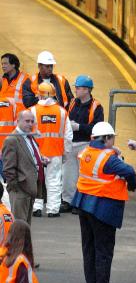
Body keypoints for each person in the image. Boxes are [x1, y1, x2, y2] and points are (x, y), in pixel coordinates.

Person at [73, 121, 136, 283]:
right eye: (113, 138)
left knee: (89, 249)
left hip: (84, 205)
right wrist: (132, 185)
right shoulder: (108, 158)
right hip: (103, 208)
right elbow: (129, 171)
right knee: (103, 251)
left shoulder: (85, 152)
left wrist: (113, 152)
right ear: (107, 139)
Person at [61, 75, 104, 214]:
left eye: (78, 88)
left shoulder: (96, 107)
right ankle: (68, 201)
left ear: (86, 90)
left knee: (83, 176)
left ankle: (80, 204)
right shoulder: (73, 103)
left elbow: (97, 128)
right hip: (70, 144)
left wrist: (79, 127)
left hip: (86, 144)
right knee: (68, 175)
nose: (76, 90)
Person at [31, 83, 72, 218]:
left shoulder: (32, 111)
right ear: (54, 94)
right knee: (54, 180)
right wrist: (65, 153)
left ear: (40, 94)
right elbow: (68, 136)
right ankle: (53, 210)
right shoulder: (61, 112)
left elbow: (26, 133)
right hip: (55, 152)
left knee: (36, 180)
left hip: (36, 153)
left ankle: (36, 208)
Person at [2, 110, 46, 225]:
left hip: (30, 188)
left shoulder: (29, 137)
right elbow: (8, 168)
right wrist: (16, 187)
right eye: (27, 121)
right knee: (19, 226)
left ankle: (25, 244)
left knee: (26, 225)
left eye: (32, 121)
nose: (30, 124)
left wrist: (41, 160)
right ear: (18, 121)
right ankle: (19, 244)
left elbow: (30, 157)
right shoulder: (12, 140)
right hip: (20, 190)